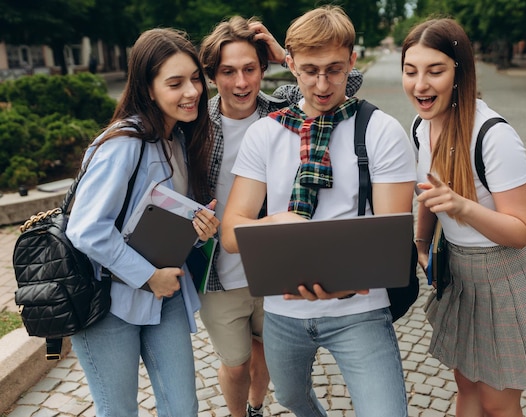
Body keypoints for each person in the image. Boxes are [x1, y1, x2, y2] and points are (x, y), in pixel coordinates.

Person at [221, 6, 415, 417]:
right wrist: (278, 221)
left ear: (352, 62)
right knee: (290, 398)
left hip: (359, 310)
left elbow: (392, 246)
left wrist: (344, 284)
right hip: (283, 311)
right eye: (309, 70)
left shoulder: (381, 131)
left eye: (334, 69)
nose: (322, 84)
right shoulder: (265, 134)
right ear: (288, 62)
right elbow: (230, 232)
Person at [196, 16, 363, 417]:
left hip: (273, 266)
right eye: (228, 72)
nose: (241, 83)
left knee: (266, 349)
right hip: (220, 269)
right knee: (235, 361)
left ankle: (256, 406)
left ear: (264, 69)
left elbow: (342, 81)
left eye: (250, 69)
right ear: (211, 75)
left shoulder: (281, 108)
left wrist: (285, 55)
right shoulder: (196, 123)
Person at [403, 18, 526, 417]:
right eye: (410, 71)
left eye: (435, 71)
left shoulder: (493, 135)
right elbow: (429, 193)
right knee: (466, 385)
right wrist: (422, 244)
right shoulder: (422, 126)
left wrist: (462, 207)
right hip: (460, 274)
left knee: (498, 401)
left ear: (460, 72)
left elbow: (520, 230)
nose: (420, 84)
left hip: (505, 277)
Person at [66, 28, 220, 417]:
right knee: (118, 412)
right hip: (107, 303)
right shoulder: (123, 144)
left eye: (195, 79)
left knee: (182, 408)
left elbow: (158, 220)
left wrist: (198, 232)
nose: (192, 92)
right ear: (148, 89)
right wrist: (147, 276)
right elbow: (85, 228)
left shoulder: (178, 140)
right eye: (175, 83)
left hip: (163, 298)